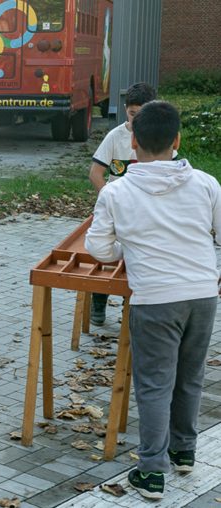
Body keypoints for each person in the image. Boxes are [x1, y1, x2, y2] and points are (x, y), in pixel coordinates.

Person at [85, 101, 220, 500]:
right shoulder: (207, 184)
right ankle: (183, 452)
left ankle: (151, 472)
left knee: (154, 385)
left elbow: (99, 249)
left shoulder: (116, 191)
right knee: (189, 377)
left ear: (133, 142)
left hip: (154, 298)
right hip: (201, 295)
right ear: (177, 140)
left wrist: (127, 250)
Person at [87, 82, 164, 326]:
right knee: (105, 256)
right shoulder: (116, 137)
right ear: (125, 110)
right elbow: (95, 173)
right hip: (116, 211)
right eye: (132, 114)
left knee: (137, 259)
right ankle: (99, 301)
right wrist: (109, 201)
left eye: (142, 115)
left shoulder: (157, 140)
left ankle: (128, 307)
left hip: (145, 213)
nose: (136, 120)